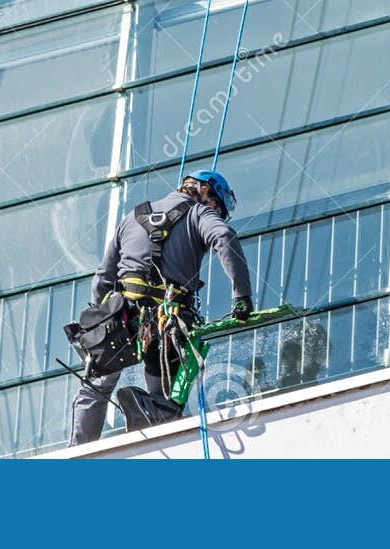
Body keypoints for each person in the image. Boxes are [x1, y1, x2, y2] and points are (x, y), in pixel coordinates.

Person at [68, 169, 253, 446]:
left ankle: (78, 452)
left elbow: (103, 278)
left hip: (120, 317)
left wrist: (96, 321)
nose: (215, 211)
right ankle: (150, 414)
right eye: (217, 205)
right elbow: (223, 237)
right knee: (166, 394)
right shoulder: (199, 213)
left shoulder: (133, 216)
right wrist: (242, 296)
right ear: (206, 192)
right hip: (168, 320)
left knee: (97, 384)